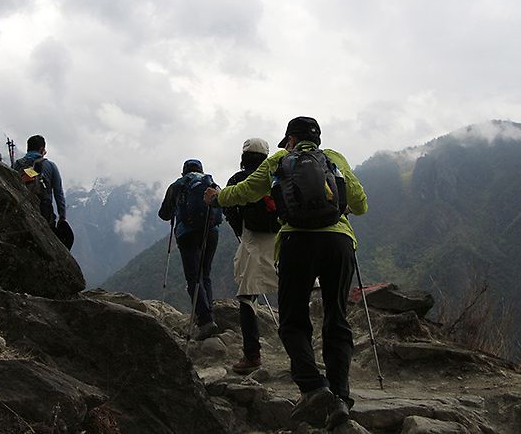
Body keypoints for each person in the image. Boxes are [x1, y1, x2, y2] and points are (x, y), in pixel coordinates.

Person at [204, 117, 368, 430]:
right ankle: (340, 397)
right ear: (317, 140)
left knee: (293, 319)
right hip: (338, 243)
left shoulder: (280, 160)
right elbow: (361, 205)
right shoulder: (335, 158)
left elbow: (247, 191)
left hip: (297, 242)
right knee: (336, 317)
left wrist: (217, 198)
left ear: (291, 140)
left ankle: (313, 387)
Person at [223, 138, 280, 374]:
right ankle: (301, 352)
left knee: (247, 296)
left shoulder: (238, 179)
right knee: (292, 293)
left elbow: (228, 208)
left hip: (253, 241)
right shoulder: (277, 176)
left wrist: (240, 230)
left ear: (244, 156)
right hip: (284, 239)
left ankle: (252, 355)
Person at [158, 159, 223, 341]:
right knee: (205, 274)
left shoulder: (178, 185)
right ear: (201, 170)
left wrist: (176, 208)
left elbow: (164, 214)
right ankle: (209, 314)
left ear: (183, 172)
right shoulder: (210, 183)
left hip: (187, 234)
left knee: (194, 277)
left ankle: (205, 320)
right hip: (211, 232)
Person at [13, 135, 66, 228]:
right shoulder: (50, 165)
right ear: (42, 149)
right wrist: (62, 216)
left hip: (21, 207)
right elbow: (58, 193)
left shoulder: (17, 164)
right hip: (44, 210)